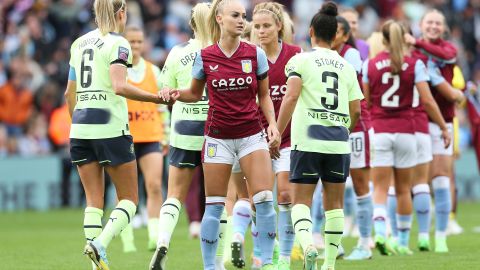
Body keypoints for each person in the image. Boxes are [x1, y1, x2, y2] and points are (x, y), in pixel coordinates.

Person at [160, 1, 281, 269]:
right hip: (217, 138)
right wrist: (174, 94)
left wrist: (271, 124)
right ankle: (210, 266)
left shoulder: (255, 54)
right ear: (219, 18)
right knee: (214, 206)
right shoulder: (205, 56)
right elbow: (193, 93)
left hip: (251, 135)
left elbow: (264, 95)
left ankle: (266, 262)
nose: (242, 21)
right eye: (235, 16)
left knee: (263, 199)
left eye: (243, 16)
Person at [65, 0, 169, 269]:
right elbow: (120, 86)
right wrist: (157, 98)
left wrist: (77, 122)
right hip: (110, 127)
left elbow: (69, 93)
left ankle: (95, 263)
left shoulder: (78, 44)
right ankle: (100, 244)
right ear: (122, 13)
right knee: (130, 200)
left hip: (80, 127)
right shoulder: (118, 43)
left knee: (93, 200)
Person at [276, 2, 363, 269]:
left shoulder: (300, 60)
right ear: (336, 35)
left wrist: (277, 133)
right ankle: (329, 264)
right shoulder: (346, 66)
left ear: (310, 31)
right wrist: (341, 130)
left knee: (301, 201)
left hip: (307, 139)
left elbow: (290, 96)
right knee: (334, 203)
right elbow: (356, 110)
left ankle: (307, 244)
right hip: (337, 141)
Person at [364, 20, 450, 256]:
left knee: (381, 189)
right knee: (405, 189)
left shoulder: (369, 64)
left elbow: (366, 101)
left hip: (380, 131)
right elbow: (428, 100)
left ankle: (381, 232)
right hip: (408, 131)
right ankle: (404, 241)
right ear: (404, 39)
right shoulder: (415, 64)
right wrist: (443, 127)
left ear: (383, 39)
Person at [149, 3, 213, 270]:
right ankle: (220, 255)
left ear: (191, 24)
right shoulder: (224, 51)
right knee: (223, 198)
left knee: (174, 194)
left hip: (184, 127)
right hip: (216, 128)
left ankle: (163, 240)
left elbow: (166, 94)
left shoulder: (177, 52)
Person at [404, 9, 460, 252]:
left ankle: (441, 237)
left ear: (444, 28)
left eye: (438, 23)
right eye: (430, 22)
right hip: (417, 121)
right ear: (421, 24)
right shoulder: (413, 54)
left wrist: (416, 41)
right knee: (417, 180)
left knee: (441, 176)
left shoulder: (449, 50)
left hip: (443, 122)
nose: (434, 26)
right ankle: (418, 234)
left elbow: (444, 56)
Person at [251, 3, 302, 269]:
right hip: (256, 139)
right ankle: (261, 253)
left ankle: (284, 258)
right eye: (257, 26)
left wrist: (278, 133)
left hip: (289, 139)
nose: (261, 31)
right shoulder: (249, 57)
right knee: (258, 201)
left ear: (279, 26)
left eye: (266, 25)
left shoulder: (296, 55)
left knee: (284, 195)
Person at [117, 25, 167, 252]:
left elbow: (162, 105)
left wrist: (165, 134)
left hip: (150, 135)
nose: (135, 46)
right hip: (124, 136)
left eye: (139, 42)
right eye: (131, 42)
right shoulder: (117, 70)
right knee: (125, 192)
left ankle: (154, 235)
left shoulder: (153, 71)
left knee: (154, 185)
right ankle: (127, 240)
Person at [331, 15, 374, 260]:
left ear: (346, 35)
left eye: (337, 32)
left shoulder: (352, 55)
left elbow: (347, 87)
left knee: (360, 185)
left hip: (355, 126)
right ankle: (334, 243)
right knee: (331, 185)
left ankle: (365, 243)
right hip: (331, 126)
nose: (333, 35)